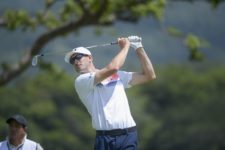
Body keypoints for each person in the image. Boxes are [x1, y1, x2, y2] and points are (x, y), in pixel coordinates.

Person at [65, 35, 156, 150]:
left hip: (128, 135)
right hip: (104, 138)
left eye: (78, 57)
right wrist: (125, 47)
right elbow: (113, 67)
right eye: (72, 61)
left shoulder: (117, 76)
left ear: (90, 58)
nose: (76, 62)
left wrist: (138, 48)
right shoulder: (81, 81)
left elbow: (149, 75)